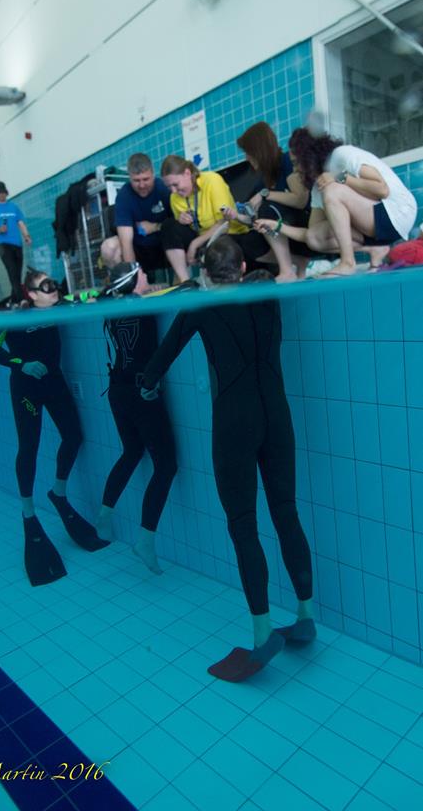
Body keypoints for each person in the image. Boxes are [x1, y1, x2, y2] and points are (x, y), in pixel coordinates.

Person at [141, 237, 315, 682]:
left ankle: (263, 634)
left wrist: (146, 384)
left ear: (203, 269)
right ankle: (304, 614)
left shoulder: (199, 305)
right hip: (278, 417)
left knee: (242, 524)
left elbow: (164, 354)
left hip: (235, 423)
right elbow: (279, 273)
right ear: (240, 266)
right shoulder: (265, 294)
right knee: (286, 513)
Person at [0, 269, 108, 586]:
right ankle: (28, 513)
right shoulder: (14, 316)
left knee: (74, 436)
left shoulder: (57, 303)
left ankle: (57, 493)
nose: (54, 290)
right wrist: (21, 364)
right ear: (30, 294)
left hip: (55, 383)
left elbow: (85, 297)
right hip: (27, 388)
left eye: (55, 284)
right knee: (29, 447)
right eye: (47, 286)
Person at [95, 262, 178, 574]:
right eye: (143, 273)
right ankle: (145, 540)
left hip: (118, 391)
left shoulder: (111, 306)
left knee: (131, 452)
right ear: (133, 281)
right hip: (142, 392)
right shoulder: (144, 306)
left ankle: (105, 512)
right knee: (167, 466)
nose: (148, 275)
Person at [255, 129, 417, 278]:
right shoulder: (318, 186)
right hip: (375, 227)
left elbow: (382, 189)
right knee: (314, 237)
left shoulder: (342, 155)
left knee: (332, 190)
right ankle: (376, 249)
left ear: (309, 156)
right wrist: (277, 226)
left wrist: (340, 177)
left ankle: (348, 263)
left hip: (398, 212)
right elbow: (311, 234)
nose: (295, 169)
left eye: (297, 162)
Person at [222, 122, 310, 281]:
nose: (246, 157)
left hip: (304, 226)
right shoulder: (264, 179)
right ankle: (298, 261)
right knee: (250, 240)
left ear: (258, 150)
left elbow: (300, 201)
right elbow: (255, 219)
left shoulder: (288, 163)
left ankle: (287, 271)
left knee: (268, 209)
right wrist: (236, 216)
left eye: (248, 152)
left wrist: (266, 195)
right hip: (285, 233)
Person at [159, 155, 249, 282]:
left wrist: (194, 244)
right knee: (169, 226)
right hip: (202, 239)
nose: (173, 191)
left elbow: (224, 224)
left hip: (228, 234)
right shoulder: (174, 197)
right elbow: (182, 231)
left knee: (221, 241)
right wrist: (181, 220)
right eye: (169, 187)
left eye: (175, 184)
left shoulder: (212, 180)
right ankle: (185, 282)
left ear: (187, 173)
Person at [103, 153, 171, 276]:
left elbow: (177, 224)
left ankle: (182, 281)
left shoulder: (163, 188)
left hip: (164, 246)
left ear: (153, 174)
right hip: (139, 249)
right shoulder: (124, 196)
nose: (142, 185)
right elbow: (126, 242)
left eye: (146, 179)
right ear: (129, 178)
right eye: (136, 180)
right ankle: (128, 286)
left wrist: (155, 227)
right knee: (109, 248)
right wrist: (137, 281)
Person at [0, 181, 32, 306]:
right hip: (3, 244)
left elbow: (21, 223)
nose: (1, 195)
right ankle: (22, 300)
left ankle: (13, 300)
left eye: (3, 192)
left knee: (17, 273)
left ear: (6, 192)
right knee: (12, 271)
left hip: (17, 243)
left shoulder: (13, 207)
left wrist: (26, 236)